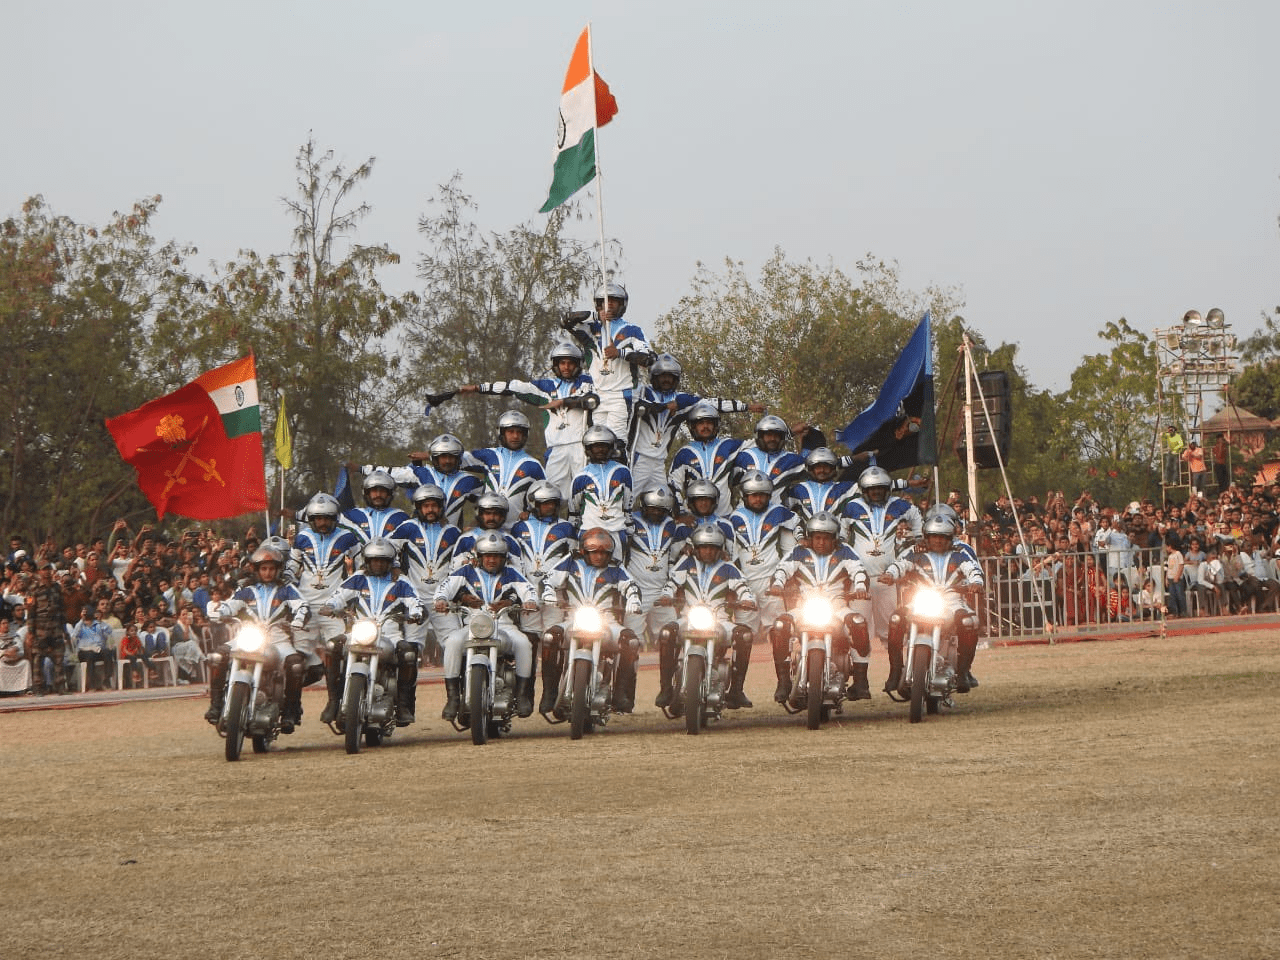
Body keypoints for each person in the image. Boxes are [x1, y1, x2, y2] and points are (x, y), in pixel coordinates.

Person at [457, 341, 599, 499]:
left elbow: (594, 400)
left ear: (578, 364)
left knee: (583, 489)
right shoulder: (546, 386)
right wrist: (479, 388)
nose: (566, 367)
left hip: (580, 444)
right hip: (555, 447)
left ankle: (579, 520)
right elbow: (514, 386)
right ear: (555, 365)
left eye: (570, 363)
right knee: (551, 493)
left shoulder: (589, 382)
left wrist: (565, 402)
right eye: (562, 363)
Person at [433, 532, 539, 720]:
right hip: (473, 625)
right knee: (452, 642)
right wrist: (441, 600)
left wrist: (530, 602)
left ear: (504, 558)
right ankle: (453, 699)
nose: (492, 560)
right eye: (488, 556)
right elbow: (445, 587)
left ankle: (522, 695)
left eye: (497, 556)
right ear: (479, 557)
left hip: (504, 625)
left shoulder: (512, 573)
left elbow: (529, 589)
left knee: (524, 643)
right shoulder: (465, 572)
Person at [320, 538, 425, 726]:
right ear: (367, 561)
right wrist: (330, 606)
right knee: (331, 646)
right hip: (359, 631)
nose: (378, 563)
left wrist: (415, 613)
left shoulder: (401, 581)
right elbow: (338, 596)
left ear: (390, 561)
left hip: (390, 635)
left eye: (383, 560)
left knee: (409, 654)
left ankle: (402, 705)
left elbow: (414, 601)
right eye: (374, 560)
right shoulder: (358, 579)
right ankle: (333, 701)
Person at [767, 513, 871, 702]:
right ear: (810, 537)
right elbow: (782, 570)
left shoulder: (845, 551)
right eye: (817, 538)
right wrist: (777, 585)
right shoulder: (799, 552)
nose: (821, 542)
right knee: (780, 626)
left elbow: (859, 570)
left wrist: (861, 588)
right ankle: (783, 682)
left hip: (837, 606)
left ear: (834, 538)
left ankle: (861, 681)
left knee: (858, 623)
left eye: (826, 538)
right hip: (804, 606)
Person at [626, 353, 764, 495]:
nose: (666, 380)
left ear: (676, 378)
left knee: (663, 500)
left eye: (670, 376)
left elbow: (712, 403)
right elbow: (637, 405)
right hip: (638, 457)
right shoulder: (642, 391)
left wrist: (746, 407)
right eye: (662, 376)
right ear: (654, 376)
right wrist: (665, 406)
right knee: (627, 499)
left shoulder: (681, 398)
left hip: (660, 462)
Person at [205, 545, 310, 730]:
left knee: (295, 665)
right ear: (257, 569)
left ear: (278, 570)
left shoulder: (287, 589)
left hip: (277, 640)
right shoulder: (246, 590)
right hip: (248, 635)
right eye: (263, 568)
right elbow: (230, 605)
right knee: (218, 656)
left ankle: (291, 711)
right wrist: (220, 612)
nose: (268, 572)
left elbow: (302, 605)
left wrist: (299, 618)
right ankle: (216, 705)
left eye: (271, 569)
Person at [878, 514, 985, 694]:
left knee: (969, 622)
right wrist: (890, 574)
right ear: (926, 537)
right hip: (921, 599)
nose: (938, 540)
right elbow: (900, 564)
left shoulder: (960, 554)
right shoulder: (916, 552)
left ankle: (964, 671)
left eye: (942, 537)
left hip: (952, 601)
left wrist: (976, 582)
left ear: (950, 538)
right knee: (896, 618)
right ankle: (896, 670)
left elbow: (973, 569)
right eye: (934, 536)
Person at [541, 527, 644, 714]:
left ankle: (620, 693)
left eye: (604, 553)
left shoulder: (616, 567)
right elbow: (549, 579)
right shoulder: (571, 561)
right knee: (549, 637)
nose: (599, 556)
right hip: (573, 618)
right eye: (594, 552)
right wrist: (548, 592)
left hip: (607, 621)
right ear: (584, 551)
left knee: (631, 641)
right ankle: (550, 691)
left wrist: (634, 600)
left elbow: (631, 586)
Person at [654, 525, 757, 710]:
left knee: (745, 635)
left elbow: (743, 587)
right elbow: (671, 583)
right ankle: (666, 688)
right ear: (696, 547)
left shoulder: (728, 568)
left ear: (719, 549)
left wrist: (747, 600)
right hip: (689, 618)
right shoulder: (686, 563)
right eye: (703, 547)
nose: (707, 551)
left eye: (712, 547)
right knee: (666, 633)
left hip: (720, 621)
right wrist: (666, 596)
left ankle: (736, 690)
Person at [286, 493, 363, 724]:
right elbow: (292, 567)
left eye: (327, 518)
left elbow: (360, 569)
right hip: (305, 607)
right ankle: (291, 707)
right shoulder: (301, 538)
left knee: (335, 653)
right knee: (297, 660)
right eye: (317, 518)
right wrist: (285, 582)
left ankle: (335, 702)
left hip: (334, 607)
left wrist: (352, 597)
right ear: (310, 518)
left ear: (335, 517)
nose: (322, 522)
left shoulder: (349, 538)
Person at [841, 466, 922, 682]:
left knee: (891, 629)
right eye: (871, 489)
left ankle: (898, 673)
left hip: (887, 578)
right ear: (864, 490)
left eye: (880, 488)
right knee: (860, 629)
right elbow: (840, 535)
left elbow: (915, 515)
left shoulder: (899, 505)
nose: (876, 492)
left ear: (887, 489)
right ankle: (860, 682)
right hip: (859, 581)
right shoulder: (851, 507)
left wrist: (917, 539)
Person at [511, 480, 579, 711]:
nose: (549, 507)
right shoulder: (518, 528)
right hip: (527, 593)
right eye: (544, 503)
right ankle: (525, 694)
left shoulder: (567, 528)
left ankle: (550, 693)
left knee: (552, 642)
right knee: (529, 642)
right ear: (533, 504)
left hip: (555, 596)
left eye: (553, 503)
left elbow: (572, 560)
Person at [559, 282, 655, 437]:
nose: (609, 304)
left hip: (621, 395)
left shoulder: (633, 330)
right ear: (598, 304)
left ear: (622, 304)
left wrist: (621, 353)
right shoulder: (591, 328)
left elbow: (649, 358)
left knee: (616, 444)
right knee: (597, 443)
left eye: (613, 300)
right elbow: (565, 321)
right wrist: (596, 316)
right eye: (604, 300)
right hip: (597, 394)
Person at [388, 483, 463, 669]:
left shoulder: (453, 532)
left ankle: (456, 696)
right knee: (411, 650)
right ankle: (407, 698)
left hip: (443, 601)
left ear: (441, 507)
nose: (430, 510)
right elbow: (387, 548)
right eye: (426, 506)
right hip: (416, 600)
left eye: (434, 505)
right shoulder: (407, 527)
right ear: (418, 507)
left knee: (455, 645)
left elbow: (463, 559)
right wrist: (396, 567)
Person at [729, 471, 799, 652]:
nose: (758, 499)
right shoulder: (734, 518)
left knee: (779, 629)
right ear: (745, 496)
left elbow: (791, 546)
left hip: (772, 582)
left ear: (769, 495)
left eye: (762, 495)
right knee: (743, 634)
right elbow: (731, 553)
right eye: (753, 495)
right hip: (745, 584)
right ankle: (739, 678)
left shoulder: (779, 513)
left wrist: (786, 577)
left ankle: (783, 675)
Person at [622, 486, 690, 662]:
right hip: (637, 593)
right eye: (651, 508)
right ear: (643, 505)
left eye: (660, 509)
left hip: (662, 592)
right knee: (631, 641)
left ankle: (668, 683)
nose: (655, 512)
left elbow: (676, 553)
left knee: (670, 639)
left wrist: (686, 549)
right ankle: (630, 681)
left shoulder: (671, 524)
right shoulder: (630, 521)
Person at [460, 410, 547, 526]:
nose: (515, 436)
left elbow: (546, 497)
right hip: (487, 526)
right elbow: (456, 458)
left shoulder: (534, 465)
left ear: (525, 435)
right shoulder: (489, 455)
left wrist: (531, 513)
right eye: (510, 432)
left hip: (516, 528)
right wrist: (430, 454)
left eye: (519, 432)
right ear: (501, 433)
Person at [385, 434, 485, 529]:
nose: (447, 461)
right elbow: (388, 473)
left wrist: (473, 526)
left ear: (458, 458)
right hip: (419, 536)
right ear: (435, 458)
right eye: (443, 457)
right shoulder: (421, 473)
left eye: (451, 457)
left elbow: (492, 502)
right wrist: (369, 470)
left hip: (452, 539)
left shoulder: (468, 480)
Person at [668, 401, 746, 518]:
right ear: (692, 426)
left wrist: (742, 509)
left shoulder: (729, 445)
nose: (705, 427)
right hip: (693, 519)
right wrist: (681, 513)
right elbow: (673, 486)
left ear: (716, 425)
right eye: (700, 423)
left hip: (724, 517)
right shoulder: (684, 453)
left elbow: (757, 451)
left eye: (709, 423)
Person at [569, 425, 633, 555]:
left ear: (611, 447)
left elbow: (628, 504)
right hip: (589, 530)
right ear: (588, 448)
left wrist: (629, 529)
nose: (600, 449)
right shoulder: (581, 476)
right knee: (590, 572)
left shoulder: (623, 472)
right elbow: (573, 509)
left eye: (604, 445)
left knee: (615, 571)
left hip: (616, 531)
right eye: (595, 446)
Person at [732, 416, 807, 506]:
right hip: (746, 513)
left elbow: (817, 471)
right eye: (768, 435)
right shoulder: (744, 456)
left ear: (782, 437)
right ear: (760, 436)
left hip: (777, 514)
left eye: (776, 436)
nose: (772, 439)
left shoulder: (792, 459)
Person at [26, 560, 66, 695]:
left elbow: (61, 609)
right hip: (40, 629)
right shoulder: (33, 589)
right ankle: (38, 687)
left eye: (48, 569)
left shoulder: (56, 588)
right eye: (44, 569)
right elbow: (30, 612)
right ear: (39, 572)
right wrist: (31, 632)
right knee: (38, 659)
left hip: (55, 628)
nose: (47, 572)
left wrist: (64, 629)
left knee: (59, 658)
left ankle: (60, 686)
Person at [71, 604, 114, 691]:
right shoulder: (80, 625)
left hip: (98, 649)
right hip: (84, 651)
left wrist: (100, 622)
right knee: (89, 655)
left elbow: (110, 631)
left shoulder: (98, 624)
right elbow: (74, 636)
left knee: (108, 652)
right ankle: (91, 684)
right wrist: (82, 619)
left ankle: (106, 681)